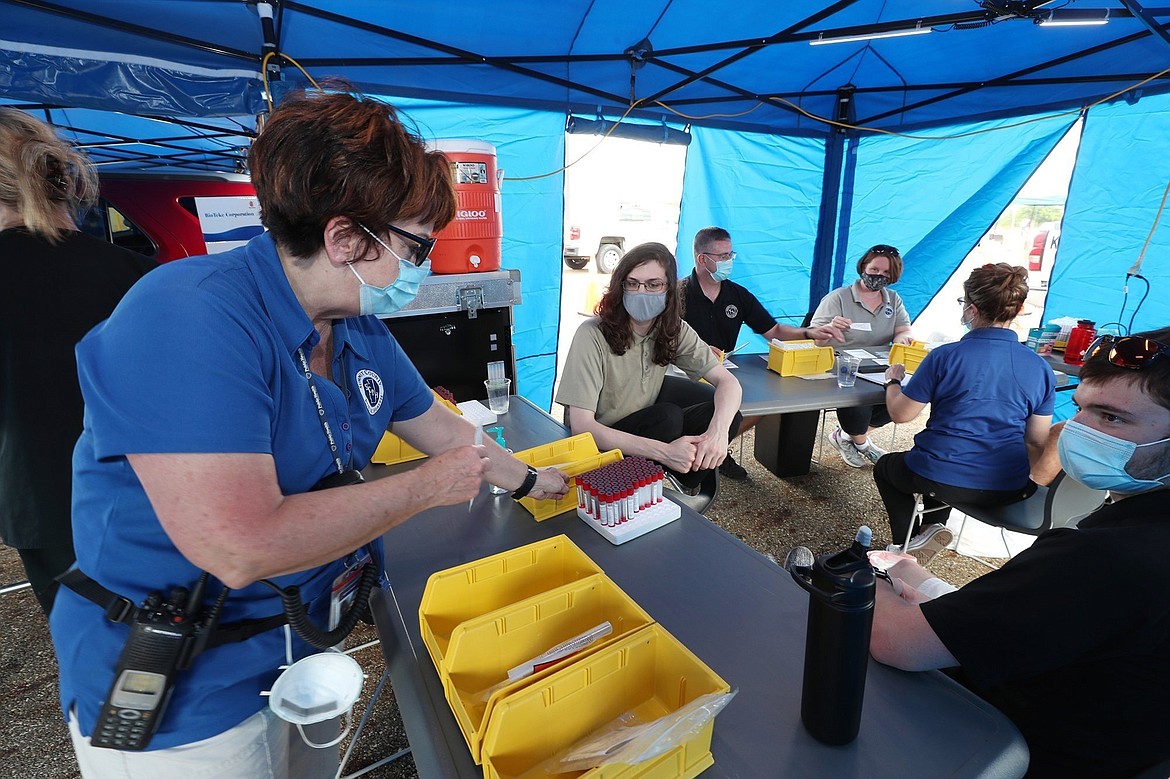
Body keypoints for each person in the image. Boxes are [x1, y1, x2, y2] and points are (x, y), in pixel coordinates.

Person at [49, 89, 569, 778]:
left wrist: (536, 480)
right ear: (346, 238)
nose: (424, 266)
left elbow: (449, 435)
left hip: (297, 654)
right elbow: (239, 544)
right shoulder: (188, 317)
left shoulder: (356, 328)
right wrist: (423, 490)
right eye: (416, 245)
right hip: (187, 693)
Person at [869, 328, 1170, 778]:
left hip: (1004, 745)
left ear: (970, 308)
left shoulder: (1107, 558)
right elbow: (1046, 623)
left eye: (1112, 418)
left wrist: (860, 578)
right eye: (1082, 408)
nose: (1077, 430)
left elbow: (898, 643)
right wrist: (925, 582)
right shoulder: (1132, 536)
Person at [0, 109, 156, 616]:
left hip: (41, 503)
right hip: (151, 499)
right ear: (66, 182)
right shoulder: (139, 275)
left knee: (90, 653)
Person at [874, 263, 1053, 563]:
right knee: (939, 463)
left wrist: (893, 380)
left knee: (887, 468)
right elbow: (1036, 441)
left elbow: (901, 415)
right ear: (1020, 309)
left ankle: (905, 548)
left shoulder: (944, 356)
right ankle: (932, 528)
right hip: (1007, 486)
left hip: (940, 475)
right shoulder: (1040, 368)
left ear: (971, 309)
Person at [557, 242, 743, 494]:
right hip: (600, 445)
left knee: (726, 413)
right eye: (632, 283)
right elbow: (582, 426)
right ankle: (654, 472)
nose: (641, 292)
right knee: (667, 417)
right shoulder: (592, 334)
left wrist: (718, 434)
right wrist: (666, 452)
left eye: (653, 284)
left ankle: (684, 472)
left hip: (645, 428)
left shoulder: (672, 329)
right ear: (620, 287)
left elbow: (728, 382)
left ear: (668, 289)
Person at [680, 226, 844, 479]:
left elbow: (773, 330)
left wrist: (810, 333)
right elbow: (658, 341)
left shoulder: (738, 295)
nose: (729, 261)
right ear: (703, 259)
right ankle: (697, 456)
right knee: (697, 410)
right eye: (722, 256)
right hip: (684, 373)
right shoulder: (676, 295)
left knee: (764, 407)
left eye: (731, 255)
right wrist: (694, 352)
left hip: (726, 371)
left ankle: (715, 448)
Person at [810, 244, 914, 467]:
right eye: (875, 269)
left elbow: (903, 329)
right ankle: (862, 443)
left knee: (905, 393)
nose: (879, 276)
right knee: (859, 401)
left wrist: (903, 339)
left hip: (878, 367)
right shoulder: (838, 298)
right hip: (844, 368)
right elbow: (815, 339)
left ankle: (848, 436)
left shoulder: (893, 299)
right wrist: (830, 327)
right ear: (864, 266)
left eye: (886, 273)